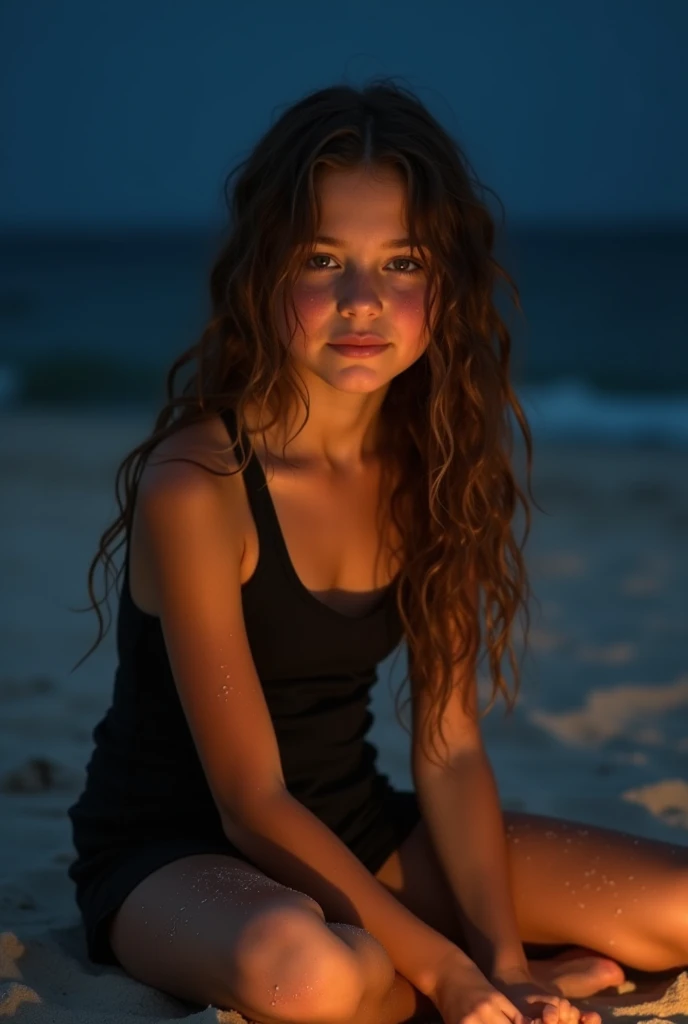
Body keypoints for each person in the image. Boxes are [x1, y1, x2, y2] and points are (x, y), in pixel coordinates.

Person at [67, 80, 687, 1024]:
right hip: (180, 856)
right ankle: (397, 979)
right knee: (307, 977)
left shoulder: (430, 469)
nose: (364, 301)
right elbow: (249, 801)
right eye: (325, 259)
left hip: (355, 828)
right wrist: (450, 976)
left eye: (402, 263)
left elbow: (447, 751)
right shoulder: (198, 484)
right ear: (266, 272)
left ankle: (401, 970)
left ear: (443, 285)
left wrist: (507, 962)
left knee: (677, 905)